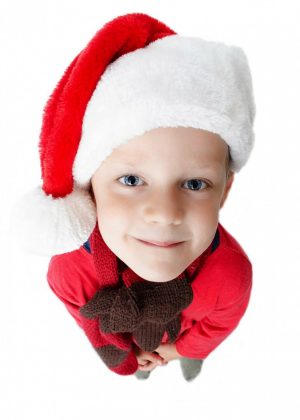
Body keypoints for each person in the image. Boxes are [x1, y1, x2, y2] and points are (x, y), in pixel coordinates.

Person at [10, 12, 256, 382]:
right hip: (123, 340)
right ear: (89, 187)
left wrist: (180, 350)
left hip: (182, 340)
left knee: (194, 357)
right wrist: (123, 355)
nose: (164, 213)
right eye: (131, 179)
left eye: (194, 184)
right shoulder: (69, 269)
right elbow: (84, 315)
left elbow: (220, 322)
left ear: (225, 191)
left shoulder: (231, 274)